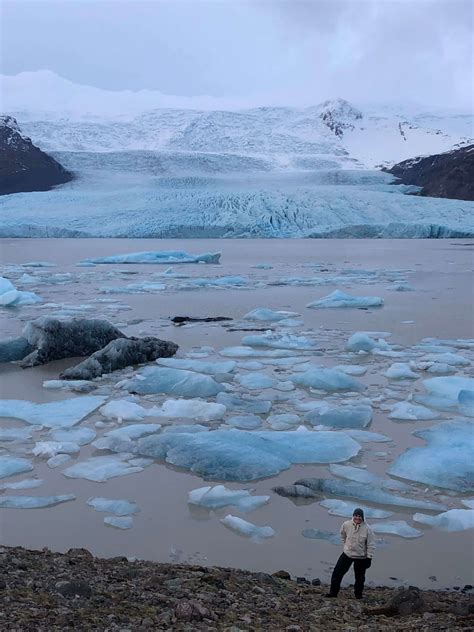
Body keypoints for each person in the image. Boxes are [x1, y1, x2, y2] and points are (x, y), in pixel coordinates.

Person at [326, 508, 375, 599]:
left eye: (359, 516)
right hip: (347, 554)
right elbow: (342, 535)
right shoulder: (346, 525)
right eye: (356, 516)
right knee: (337, 573)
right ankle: (333, 593)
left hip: (361, 557)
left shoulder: (367, 529)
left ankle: (358, 595)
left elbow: (371, 544)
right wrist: (346, 545)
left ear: (363, 518)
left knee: (360, 578)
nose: (357, 518)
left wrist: (369, 558)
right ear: (353, 516)